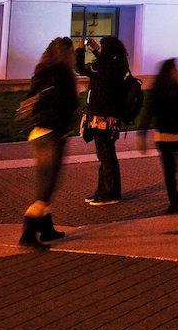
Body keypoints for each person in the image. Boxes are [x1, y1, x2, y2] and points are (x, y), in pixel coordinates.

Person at [19, 37, 78, 248]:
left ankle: (47, 228)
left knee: (45, 179)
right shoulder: (63, 73)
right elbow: (70, 103)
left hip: (37, 131)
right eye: (72, 53)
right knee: (48, 186)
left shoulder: (42, 70)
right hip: (54, 131)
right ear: (66, 54)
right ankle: (28, 231)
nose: (74, 58)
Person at [136, 59, 178, 212]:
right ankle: (176, 201)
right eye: (175, 69)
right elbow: (148, 114)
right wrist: (141, 136)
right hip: (166, 137)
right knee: (172, 171)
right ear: (169, 71)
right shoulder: (158, 91)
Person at [76, 36, 131, 205]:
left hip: (101, 117)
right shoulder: (120, 64)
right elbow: (104, 63)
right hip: (113, 117)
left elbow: (79, 68)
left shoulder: (103, 66)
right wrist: (95, 49)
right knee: (107, 155)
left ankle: (110, 194)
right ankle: (104, 191)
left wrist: (80, 49)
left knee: (105, 156)